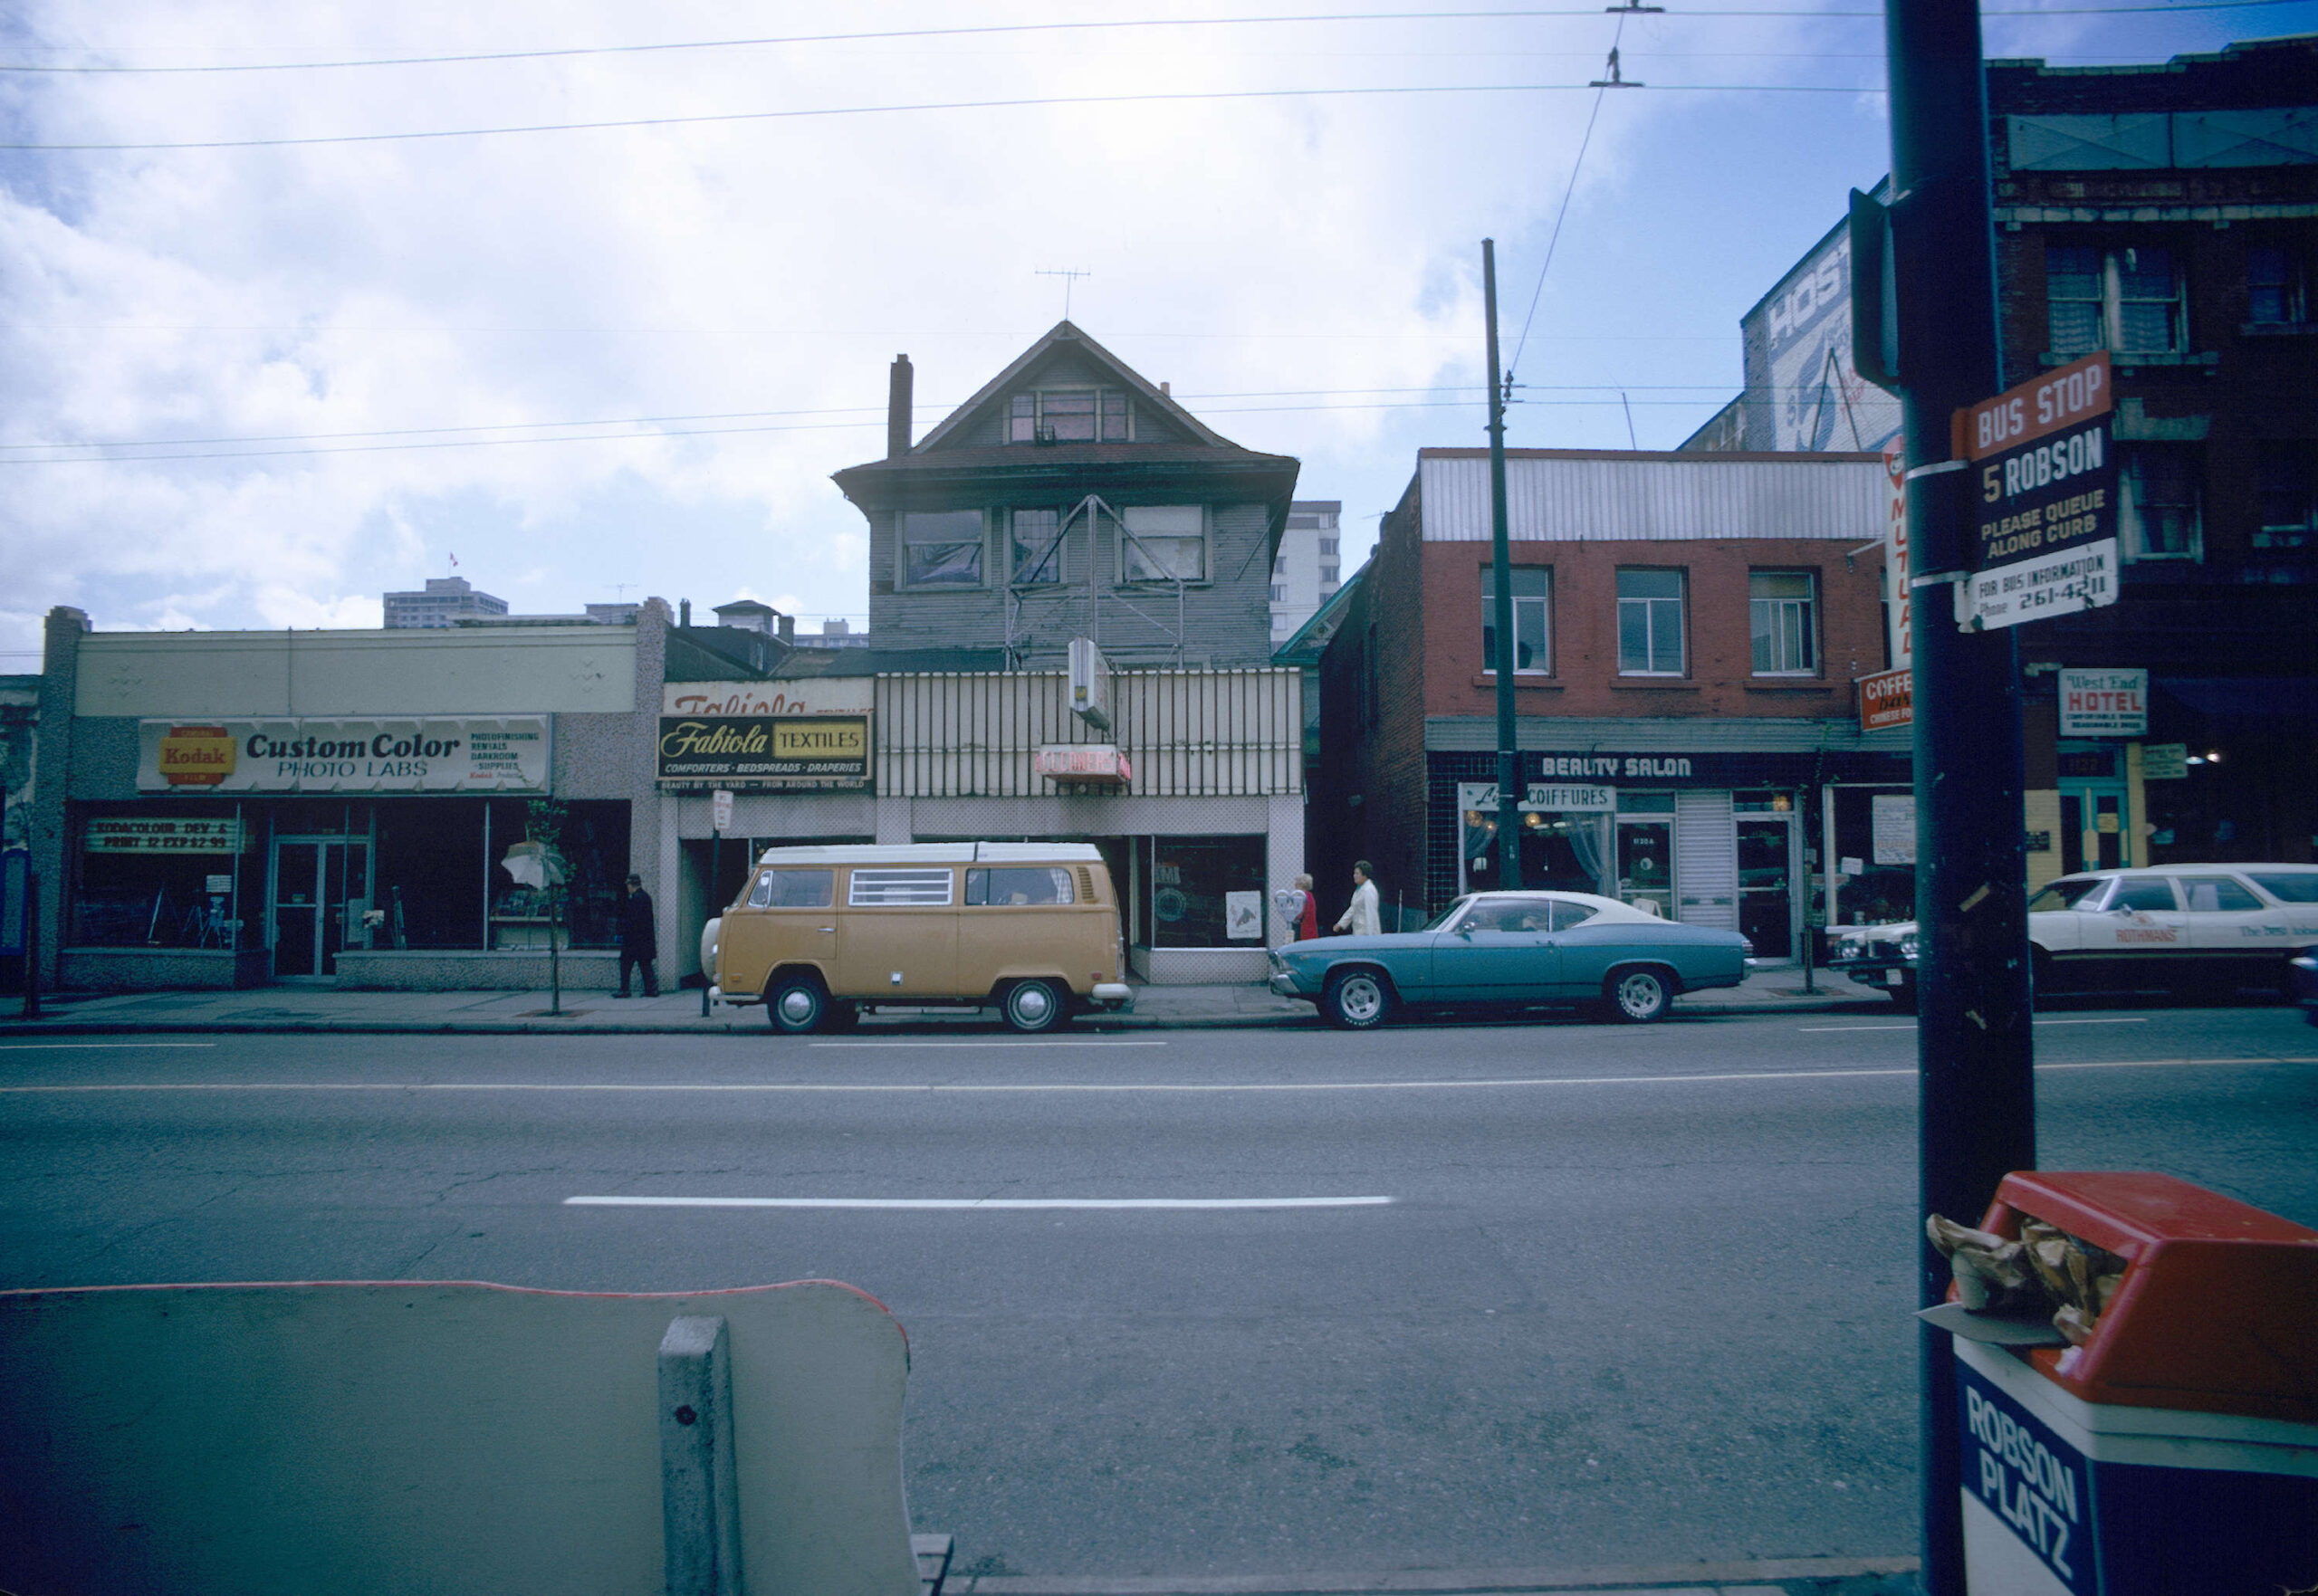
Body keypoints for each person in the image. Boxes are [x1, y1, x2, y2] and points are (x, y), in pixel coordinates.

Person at [616, 873, 659, 998]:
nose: (627, 887)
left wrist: (623, 931)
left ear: (631, 885)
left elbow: (633, 920)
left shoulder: (636, 898)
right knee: (645, 965)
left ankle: (625, 990)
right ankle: (651, 989)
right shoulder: (645, 897)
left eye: (628, 884)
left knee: (625, 964)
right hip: (644, 940)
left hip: (634, 940)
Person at [1333, 861, 1381, 938]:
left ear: (1365, 875)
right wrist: (1340, 924)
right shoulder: (1359, 889)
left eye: (1357, 873)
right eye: (1354, 873)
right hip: (1358, 931)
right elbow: (1353, 909)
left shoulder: (1369, 890)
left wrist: (1372, 937)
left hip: (1366, 933)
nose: (1354, 876)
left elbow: (1371, 914)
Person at [1294, 873, 1319, 941]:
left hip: (1304, 930)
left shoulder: (1301, 896)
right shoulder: (1309, 895)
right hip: (1311, 928)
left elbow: (1299, 914)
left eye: (1297, 882)